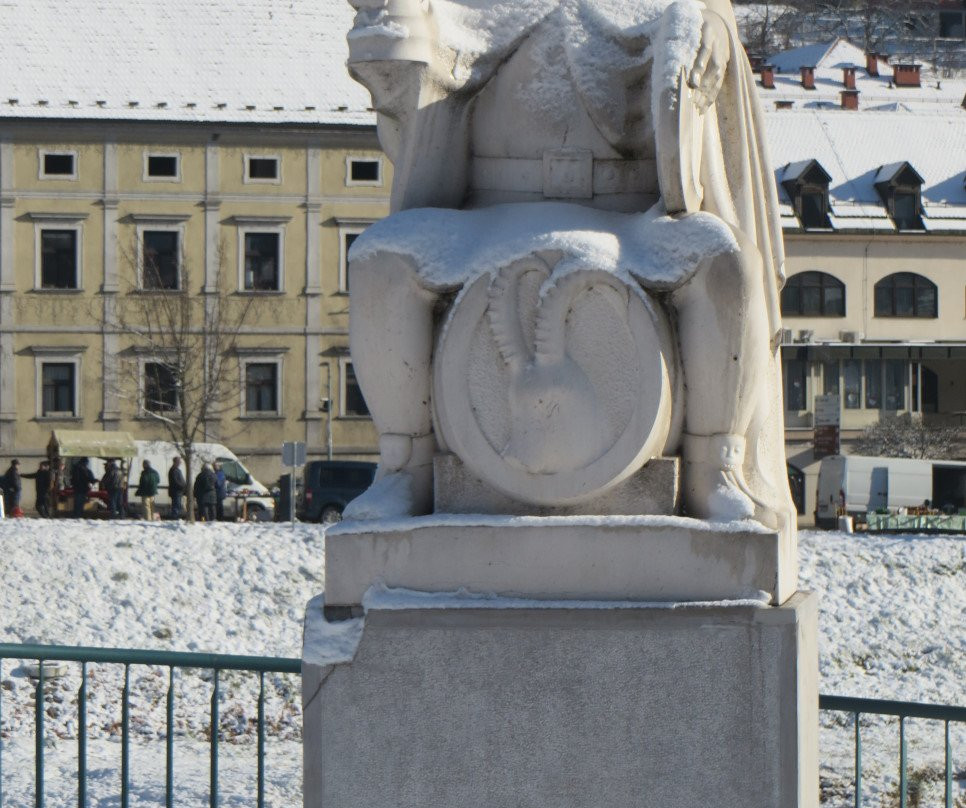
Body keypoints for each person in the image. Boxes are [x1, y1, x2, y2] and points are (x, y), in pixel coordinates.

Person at [343, 0, 793, 531]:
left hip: (631, 213)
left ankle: (714, 467)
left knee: (726, 264)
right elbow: (411, 57)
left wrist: (710, 31)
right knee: (380, 263)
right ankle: (404, 468)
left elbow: (707, 14)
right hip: (491, 206)